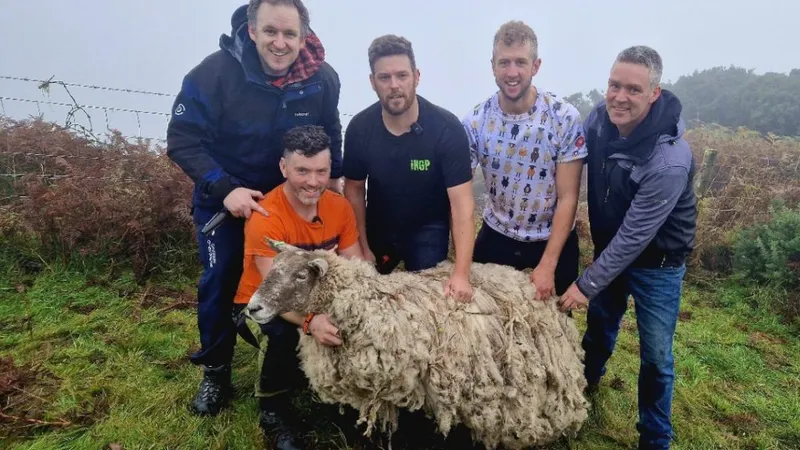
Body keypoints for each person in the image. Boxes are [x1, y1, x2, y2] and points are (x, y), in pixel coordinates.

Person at [165, 0, 344, 417]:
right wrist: (226, 189)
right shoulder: (212, 74)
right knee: (221, 278)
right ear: (251, 30)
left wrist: (333, 184)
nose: (280, 44)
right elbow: (182, 139)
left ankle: (301, 361)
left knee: (313, 276)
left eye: (289, 34)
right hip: (227, 197)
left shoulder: (322, 77)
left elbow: (331, 130)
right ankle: (216, 372)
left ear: (304, 36)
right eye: (270, 32)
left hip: (292, 198)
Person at [559, 46, 698, 450]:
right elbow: (568, 166)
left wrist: (586, 284)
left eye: (633, 90)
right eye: (614, 85)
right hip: (609, 248)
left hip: (658, 262)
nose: (619, 96)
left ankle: (655, 438)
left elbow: (636, 236)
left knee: (656, 354)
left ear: (654, 93)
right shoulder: (598, 121)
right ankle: (584, 388)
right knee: (601, 327)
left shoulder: (668, 158)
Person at [234, 125, 362, 450]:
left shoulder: (340, 207)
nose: (313, 181)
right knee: (283, 335)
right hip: (266, 300)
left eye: (321, 171)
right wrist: (310, 321)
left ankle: (338, 396)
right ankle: (274, 409)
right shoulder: (267, 216)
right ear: (283, 167)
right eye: (302, 171)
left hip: (316, 295)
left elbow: (355, 266)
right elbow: (274, 292)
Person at [342, 34, 475, 303]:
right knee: (365, 299)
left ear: (416, 76)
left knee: (429, 304)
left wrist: (461, 273)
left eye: (402, 76)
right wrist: (362, 247)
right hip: (379, 225)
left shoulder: (446, 128)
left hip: (428, 227)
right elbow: (354, 190)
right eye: (384, 77)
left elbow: (462, 206)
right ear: (372, 82)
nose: (394, 85)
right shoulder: (359, 129)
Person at [462, 20, 586, 300]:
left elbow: (568, 198)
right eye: (504, 63)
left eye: (521, 62)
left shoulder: (564, 118)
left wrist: (548, 265)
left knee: (552, 330)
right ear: (493, 65)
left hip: (551, 239)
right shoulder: (474, 122)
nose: (512, 72)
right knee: (485, 323)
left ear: (536, 66)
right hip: (497, 236)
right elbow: (461, 195)